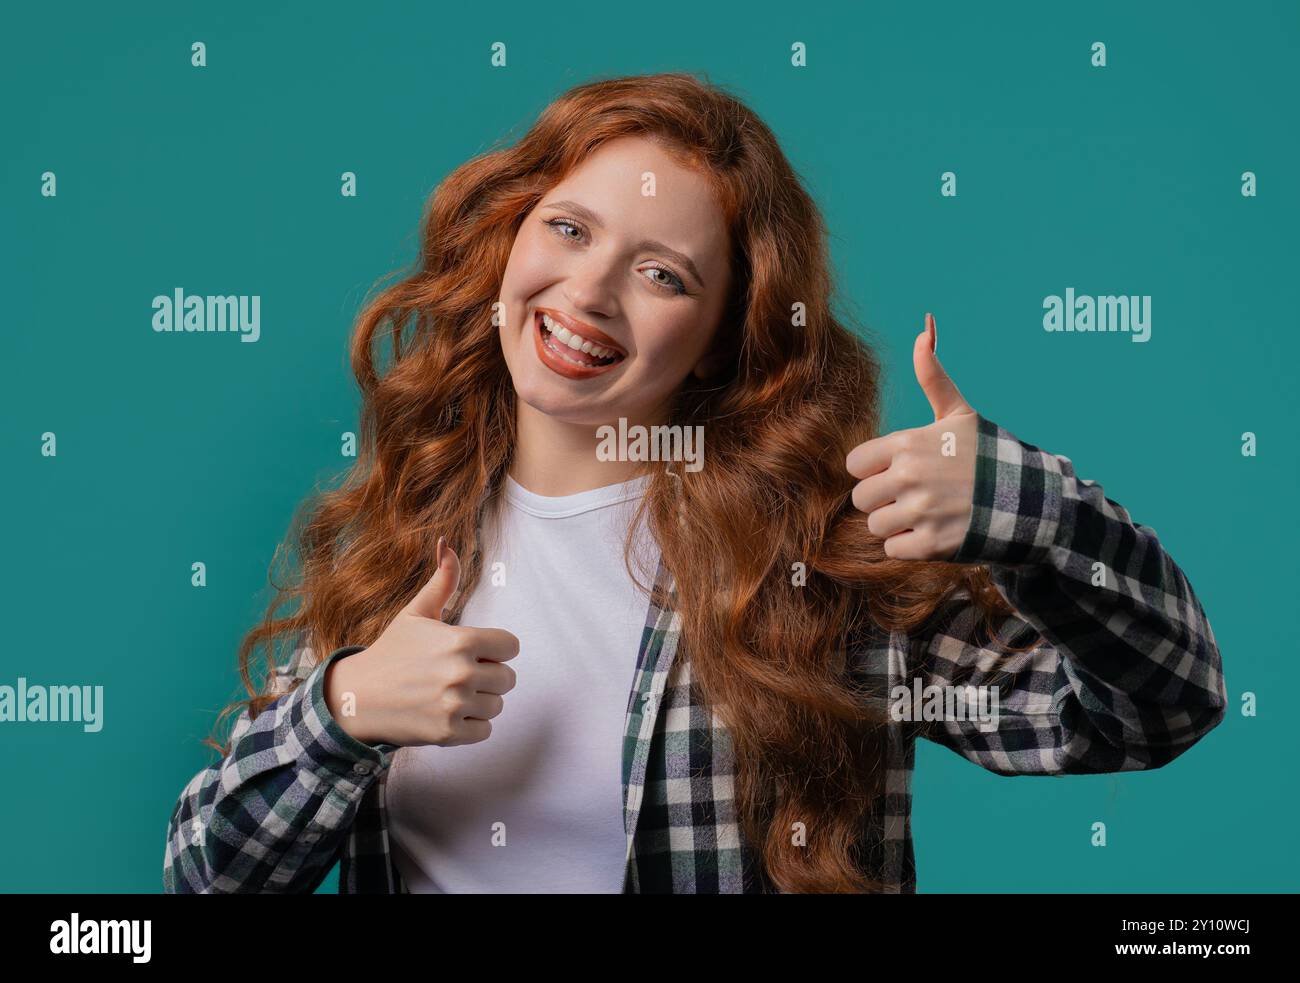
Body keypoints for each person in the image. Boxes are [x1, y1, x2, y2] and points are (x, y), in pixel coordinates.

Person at [163, 71, 1225, 894]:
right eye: (569, 229)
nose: (589, 289)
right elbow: (205, 875)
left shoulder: (818, 564)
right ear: (509, 240)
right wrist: (341, 709)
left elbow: (1154, 709)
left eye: (662, 272)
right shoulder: (401, 539)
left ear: (722, 338)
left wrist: (1031, 514)